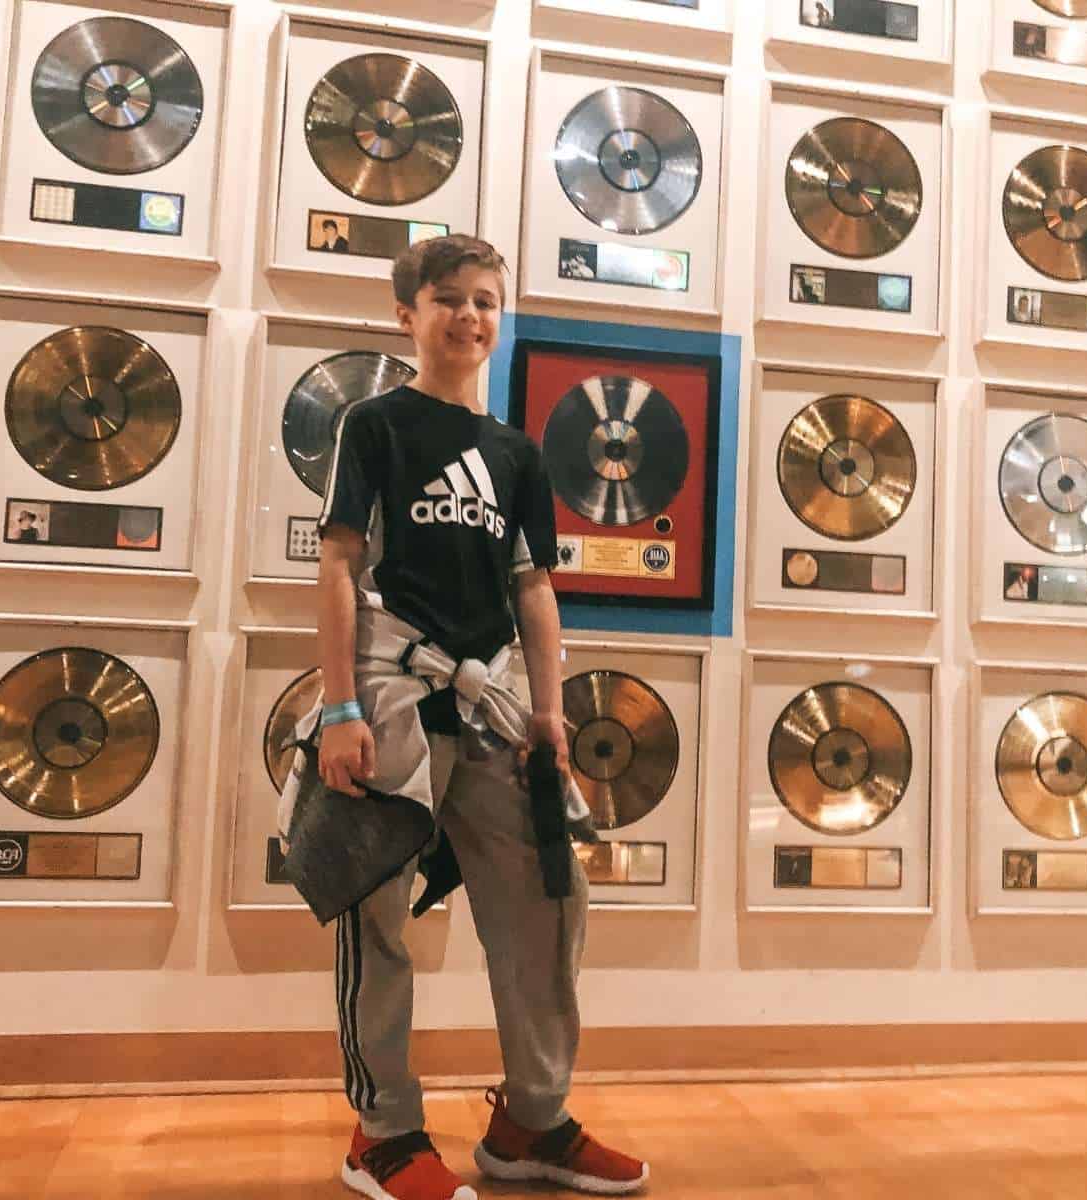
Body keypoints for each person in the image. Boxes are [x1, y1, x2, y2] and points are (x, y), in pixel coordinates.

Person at [309, 234, 648, 1200]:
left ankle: (532, 1121)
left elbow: (533, 587)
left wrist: (548, 712)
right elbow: (338, 562)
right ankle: (383, 1133)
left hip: (491, 701)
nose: (469, 316)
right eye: (448, 298)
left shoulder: (519, 453)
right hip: (390, 693)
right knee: (376, 914)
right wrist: (338, 706)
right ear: (406, 314)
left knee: (549, 900)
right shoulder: (374, 425)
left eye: (486, 301)